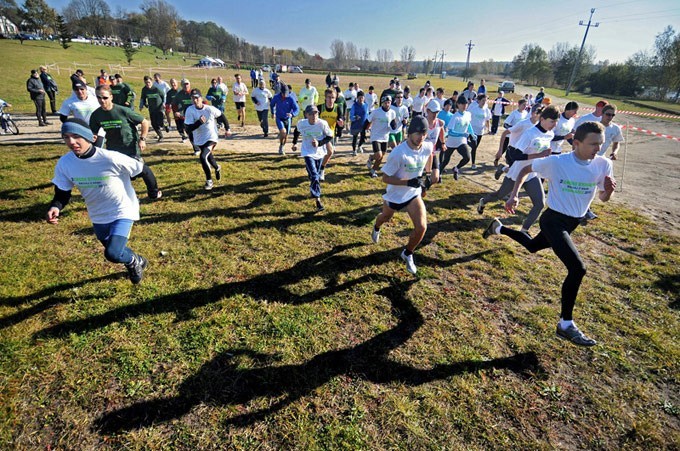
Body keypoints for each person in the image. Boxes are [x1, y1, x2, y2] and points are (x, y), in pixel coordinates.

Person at [483, 121, 616, 346]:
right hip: (553, 220)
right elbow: (526, 168)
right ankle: (565, 324)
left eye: (601, 144)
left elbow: (603, 197)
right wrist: (514, 194)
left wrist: (609, 192)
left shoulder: (603, 164)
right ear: (576, 143)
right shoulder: (557, 162)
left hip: (572, 222)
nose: (598, 149)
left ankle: (498, 227)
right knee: (577, 268)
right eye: (593, 144)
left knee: (533, 246)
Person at [47, 118, 149, 284]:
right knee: (113, 249)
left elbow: (143, 169)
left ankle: (132, 262)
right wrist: (55, 206)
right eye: (66, 137)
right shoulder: (65, 163)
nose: (71, 142)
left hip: (123, 209)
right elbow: (62, 193)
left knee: (113, 253)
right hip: (98, 214)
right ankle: (136, 259)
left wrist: (153, 191)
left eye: (76, 136)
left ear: (89, 137)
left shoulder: (110, 158)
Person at [370, 116, 438, 275]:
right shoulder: (398, 153)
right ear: (409, 133)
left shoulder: (427, 146)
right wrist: (408, 182)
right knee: (385, 217)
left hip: (413, 195)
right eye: (417, 133)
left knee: (422, 227)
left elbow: (431, 155)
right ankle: (376, 227)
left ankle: (407, 253)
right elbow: (385, 178)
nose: (421, 137)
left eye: (423, 133)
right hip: (394, 196)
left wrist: (427, 176)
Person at [478, 105, 558, 233]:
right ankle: (483, 201)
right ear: (542, 119)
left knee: (540, 204)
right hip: (517, 172)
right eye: (552, 121)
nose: (554, 125)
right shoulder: (530, 133)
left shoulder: (550, 134)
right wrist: (539, 155)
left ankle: (524, 231)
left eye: (556, 122)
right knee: (500, 195)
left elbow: (543, 154)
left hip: (532, 174)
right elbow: (515, 155)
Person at [89, 85, 162, 200]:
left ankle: (154, 193)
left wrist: (142, 139)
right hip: (113, 149)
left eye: (105, 97)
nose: (102, 100)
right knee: (119, 175)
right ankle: (123, 197)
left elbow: (144, 122)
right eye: (99, 97)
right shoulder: (96, 115)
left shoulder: (122, 111)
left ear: (111, 97)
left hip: (130, 147)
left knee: (142, 171)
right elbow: (93, 133)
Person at [183, 88, 232, 191]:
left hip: (212, 137)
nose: (195, 100)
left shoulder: (209, 109)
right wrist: (199, 123)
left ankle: (209, 181)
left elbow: (221, 116)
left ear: (201, 98)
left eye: (196, 98)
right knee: (208, 156)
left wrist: (228, 129)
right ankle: (217, 167)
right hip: (199, 138)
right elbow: (188, 129)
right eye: (193, 98)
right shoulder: (190, 110)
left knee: (203, 156)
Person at [296, 104, 335, 211]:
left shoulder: (322, 123)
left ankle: (312, 181)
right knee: (314, 175)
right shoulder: (302, 123)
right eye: (311, 114)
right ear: (306, 115)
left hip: (320, 152)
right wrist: (294, 143)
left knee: (315, 175)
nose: (314, 116)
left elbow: (329, 136)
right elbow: (296, 131)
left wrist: (319, 143)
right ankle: (317, 199)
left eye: (316, 113)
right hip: (307, 152)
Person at [441, 96, 476, 179]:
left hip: (461, 142)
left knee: (467, 158)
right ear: (458, 105)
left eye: (466, 104)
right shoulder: (455, 117)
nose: (464, 106)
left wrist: (472, 133)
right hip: (452, 142)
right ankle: (438, 173)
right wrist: (462, 134)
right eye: (462, 104)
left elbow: (469, 124)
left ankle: (456, 168)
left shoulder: (468, 114)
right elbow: (450, 132)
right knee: (446, 160)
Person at [366, 95, 398, 178]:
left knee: (382, 155)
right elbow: (368, 121)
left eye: (389, 102)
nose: (387, 104)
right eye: (386, 103)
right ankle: (371, 157)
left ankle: (373, 171)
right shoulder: (376, 112)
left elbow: (394, 124)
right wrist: (365, 130)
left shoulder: (392, 112)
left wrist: (394, 125)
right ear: (382, 103)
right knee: (379, 155)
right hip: (376, 136)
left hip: (385, 136)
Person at [270, 84, 299, 155]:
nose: (285, 96)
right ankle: (280, 146)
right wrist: (272, 112)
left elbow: (297, 109)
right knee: (283, 132)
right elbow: (272, 104)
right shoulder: (276, 97)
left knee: (286, 136)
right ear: (281, 92)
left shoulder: (291, 98)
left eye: (286, 94)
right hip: (279, 118)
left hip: (287, 119)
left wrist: (292, 114)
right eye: (283, 94)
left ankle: (282, 146)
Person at [468, 94, 491, 168]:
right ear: (479, 100)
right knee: (474, 146)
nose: (484, 102)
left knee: (475, 147)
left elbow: (487, 120)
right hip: (473, 130)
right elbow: (467, 116)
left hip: (480, 131)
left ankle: (466, 142)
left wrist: (489, 128)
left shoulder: (486, 110)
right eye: (483, 100)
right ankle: (473, 163)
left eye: (485, 101)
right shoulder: (474, 108)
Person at [139, 75, 165, 142]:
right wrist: (142, 105)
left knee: (160, 123)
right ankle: (160, 136)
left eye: (149, 82)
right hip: (151, 109)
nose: (148, 84)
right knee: (154, 124)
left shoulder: (156, 89)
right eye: (146, 83)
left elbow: (163, 96)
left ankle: (165, 125)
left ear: (151, 82)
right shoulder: (144, 89)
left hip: (159, 108)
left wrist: (163, 103)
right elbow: (143, 98)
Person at [172, 79, 196, 149]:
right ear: (181, 86)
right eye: (184, 84)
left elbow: (202, 101)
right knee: (189, 132)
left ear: (190, 84)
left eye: (187, 84)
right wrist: (176, 112)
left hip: (194, 115)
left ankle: (200, 145)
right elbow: (174, 104)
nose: (186, 86)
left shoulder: (193, 93)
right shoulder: (179, 95)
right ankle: (196, 148)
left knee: (195, 132)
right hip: (184, 116)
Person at [349, 90, 369, 156]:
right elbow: (351, 116)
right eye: (360, 98)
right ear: (357, 98)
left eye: (362, 98)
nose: (361, 99)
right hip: (356, 125)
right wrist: (355, 117)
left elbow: (367, 115)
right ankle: (354, 150)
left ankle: (359, 146)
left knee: (363, 138)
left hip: (363, 125)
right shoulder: (354, 106)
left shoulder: (366, 105)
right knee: (355, 138)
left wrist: (368, 124)